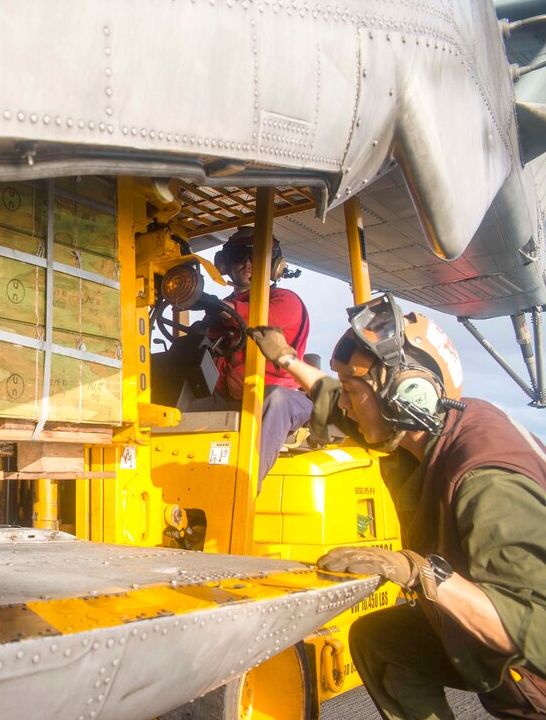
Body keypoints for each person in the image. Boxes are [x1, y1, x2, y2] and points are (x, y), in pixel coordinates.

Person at [249, 294, 546, 719]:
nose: (346, 403)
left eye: (354, 391)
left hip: (531, 682)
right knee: (382, 639)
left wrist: (420, 572)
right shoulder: (426, 427)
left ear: (406, 394)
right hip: (492, 655)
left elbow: (534, 633)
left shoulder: (486, 482)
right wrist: (286, 358)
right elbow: (332, 399)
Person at [192, 226, 313, 487]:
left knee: (274, 399)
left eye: (257, 256)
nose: (247, 263)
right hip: (229, 397)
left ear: (274, 265)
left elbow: (253, 319)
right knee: (172, 392)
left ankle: (243, 491)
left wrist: (211, 302)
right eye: (239, 255)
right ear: (225, 263)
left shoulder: (285, 300)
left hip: (286, 398)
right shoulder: (218, 309)